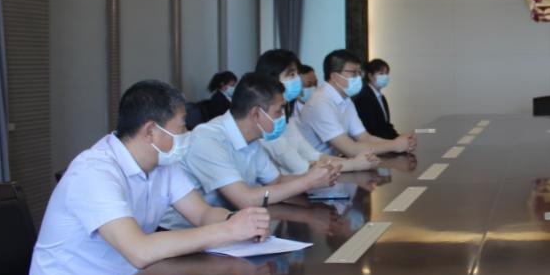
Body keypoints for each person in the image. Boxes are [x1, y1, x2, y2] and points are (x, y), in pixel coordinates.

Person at [26, 80, 270, 275]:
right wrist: (229, 230)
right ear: (151, 131)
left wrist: (240, 221)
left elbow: (202, 214)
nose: (187, 133)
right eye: (182, 126)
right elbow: (140, 251)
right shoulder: (94, 172)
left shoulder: (162, 164)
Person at [170, 72, 342, 219]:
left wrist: (314, 176)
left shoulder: (251, 139)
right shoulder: (208, 139)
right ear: (256, 114)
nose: (283, 116)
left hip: (229, 222)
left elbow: (276, 181)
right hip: (184, 233)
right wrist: (307, 182)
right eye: (278, 111)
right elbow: (245, 199)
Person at [254, 49, 377, 175]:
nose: (298, 80)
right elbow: (301, 167)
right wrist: (354, 164)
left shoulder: (285, 114)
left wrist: (354, 161)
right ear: (271, 78)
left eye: (297, 74)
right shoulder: (264, 118)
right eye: (291, 74)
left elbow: (312, 155)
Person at [297, 49, 416, 156]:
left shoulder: (345, 99)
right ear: (335, 76)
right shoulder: (321, 102)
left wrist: (399, 143)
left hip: (335, 164)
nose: (359, 78)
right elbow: (350, 149)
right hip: (313, 168)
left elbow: (364, 137)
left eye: (359, 73)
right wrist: (395, 145)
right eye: (354, 73)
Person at [352, 58, 400, 140]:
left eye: (386, 73)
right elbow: (372, 128)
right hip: (371, 143)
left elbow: (385, 125)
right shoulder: (364, 97)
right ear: (370, 76)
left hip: (383, 142)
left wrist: (399, 137)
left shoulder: (381, 97)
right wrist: (395, 142)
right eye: (381, 73)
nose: (385, 77)